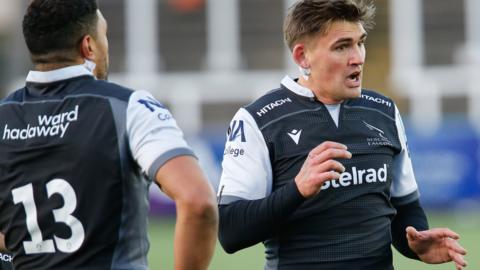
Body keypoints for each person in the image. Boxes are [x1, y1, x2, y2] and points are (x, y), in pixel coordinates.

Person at [217, 0, 467, 269]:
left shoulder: (383, 112)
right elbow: (231, 233)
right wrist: (297, 190)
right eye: (342, 46)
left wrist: (416, 243)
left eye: (360, 42)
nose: (357, 57)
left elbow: (405, 210)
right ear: (303, 56)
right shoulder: (259, 120)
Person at [0, 0, 218, 269]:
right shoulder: (128, 108)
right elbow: (198, 203)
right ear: (88, 46)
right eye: (104, 35)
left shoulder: (4, 116)